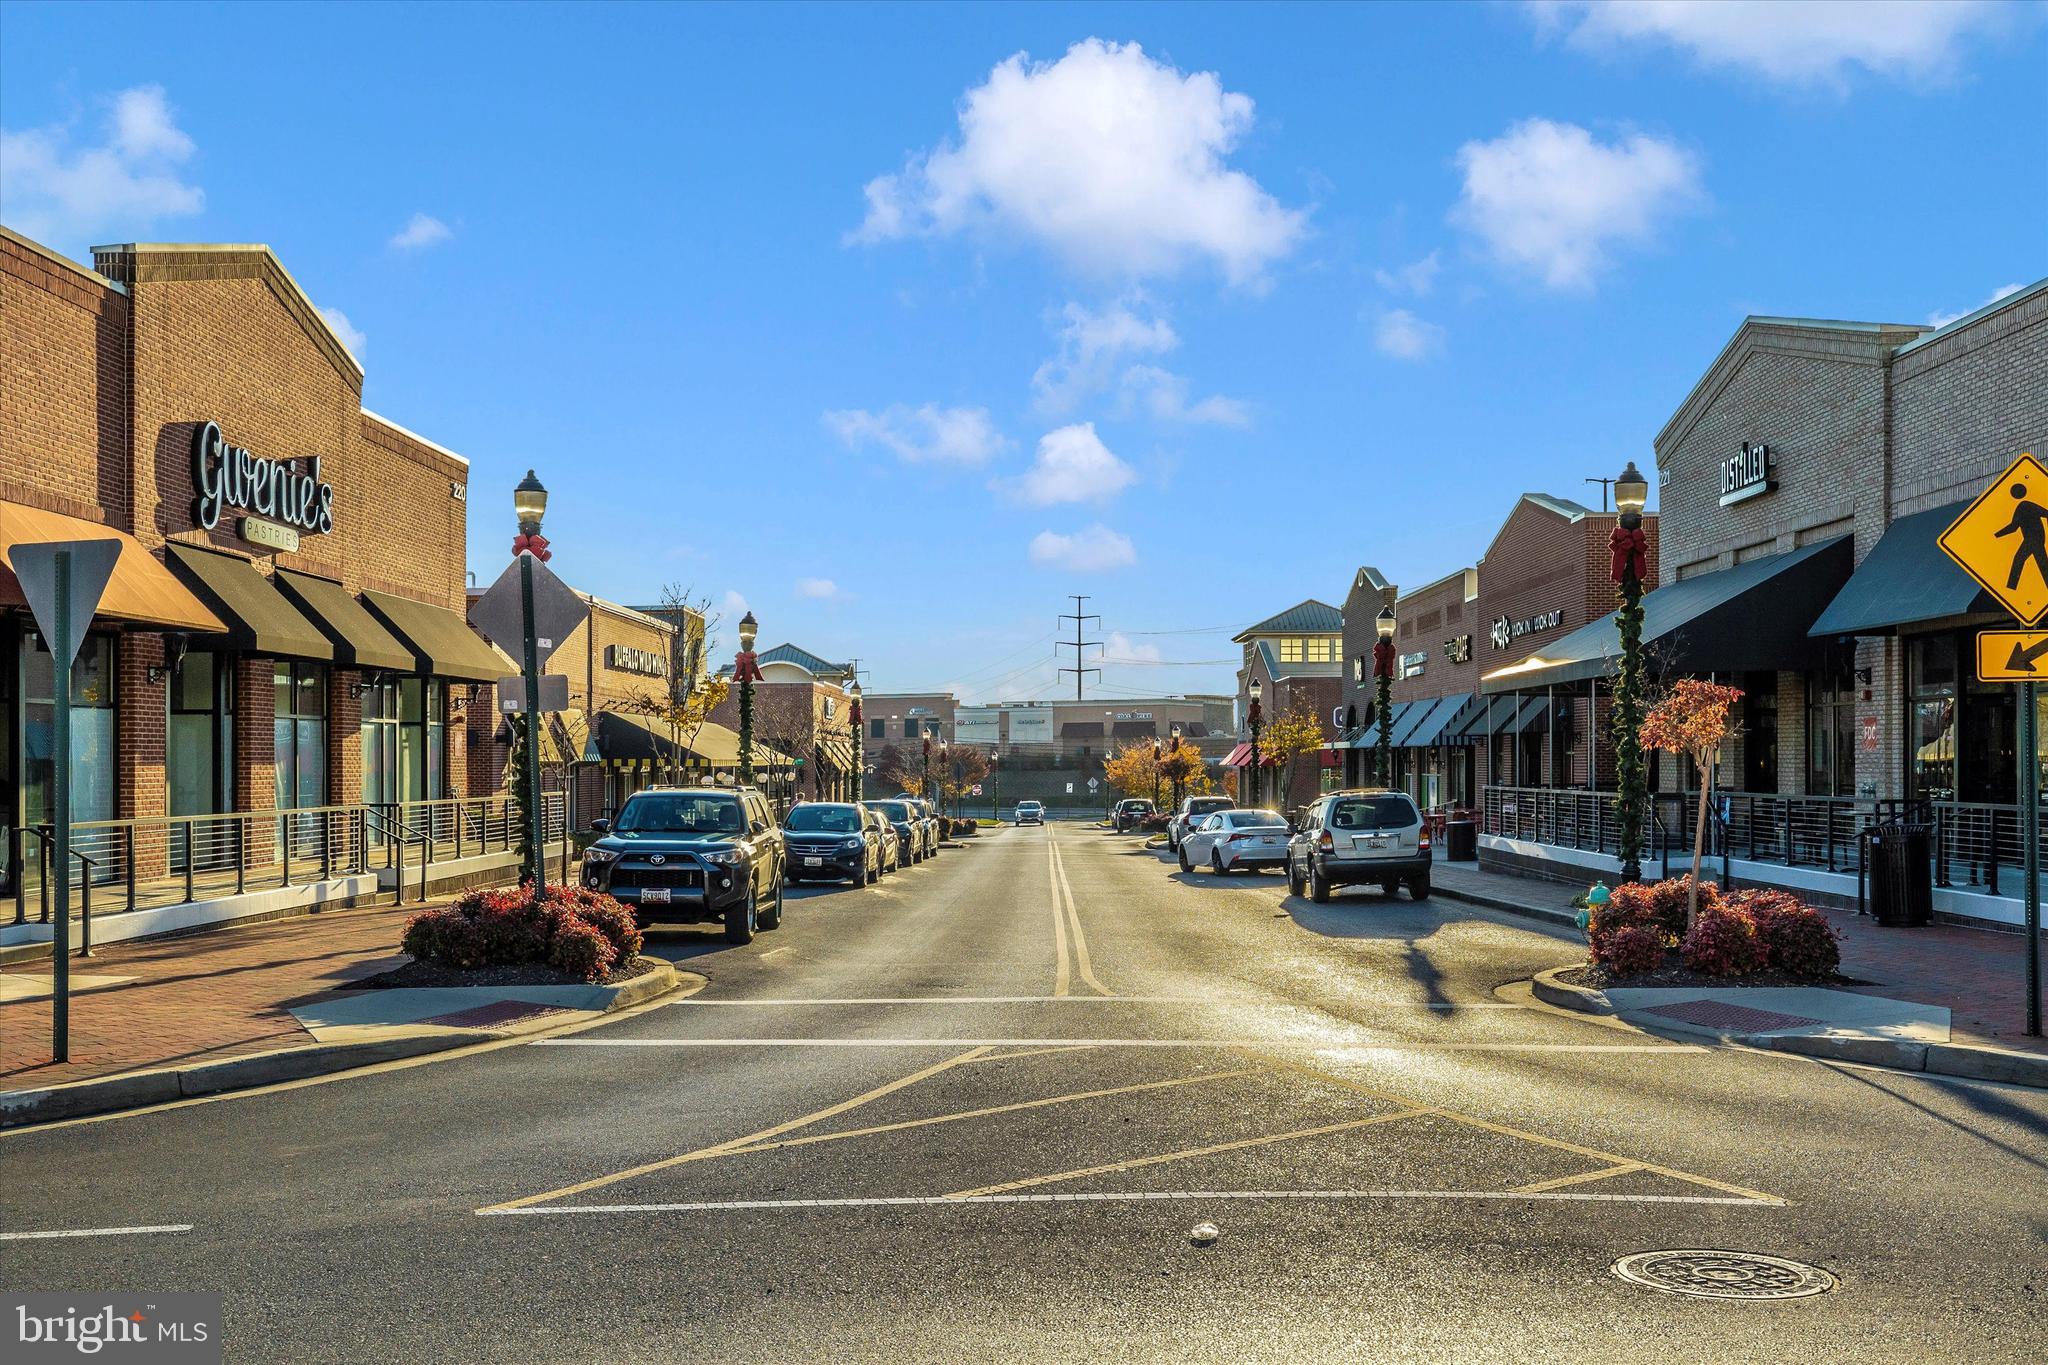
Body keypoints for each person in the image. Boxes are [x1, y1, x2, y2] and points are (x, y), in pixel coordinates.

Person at [1994, 481, 2048, 593]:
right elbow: (2014, 527)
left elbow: (2013, 526)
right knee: (2038, 563)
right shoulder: (2025, 506)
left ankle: (2011, 588)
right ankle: (2011, 588)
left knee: (2022, 560)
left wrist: (1996, 536)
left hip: (2034, 540)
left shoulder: (2024, 506)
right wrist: (1997, 535)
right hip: (2033, 539)